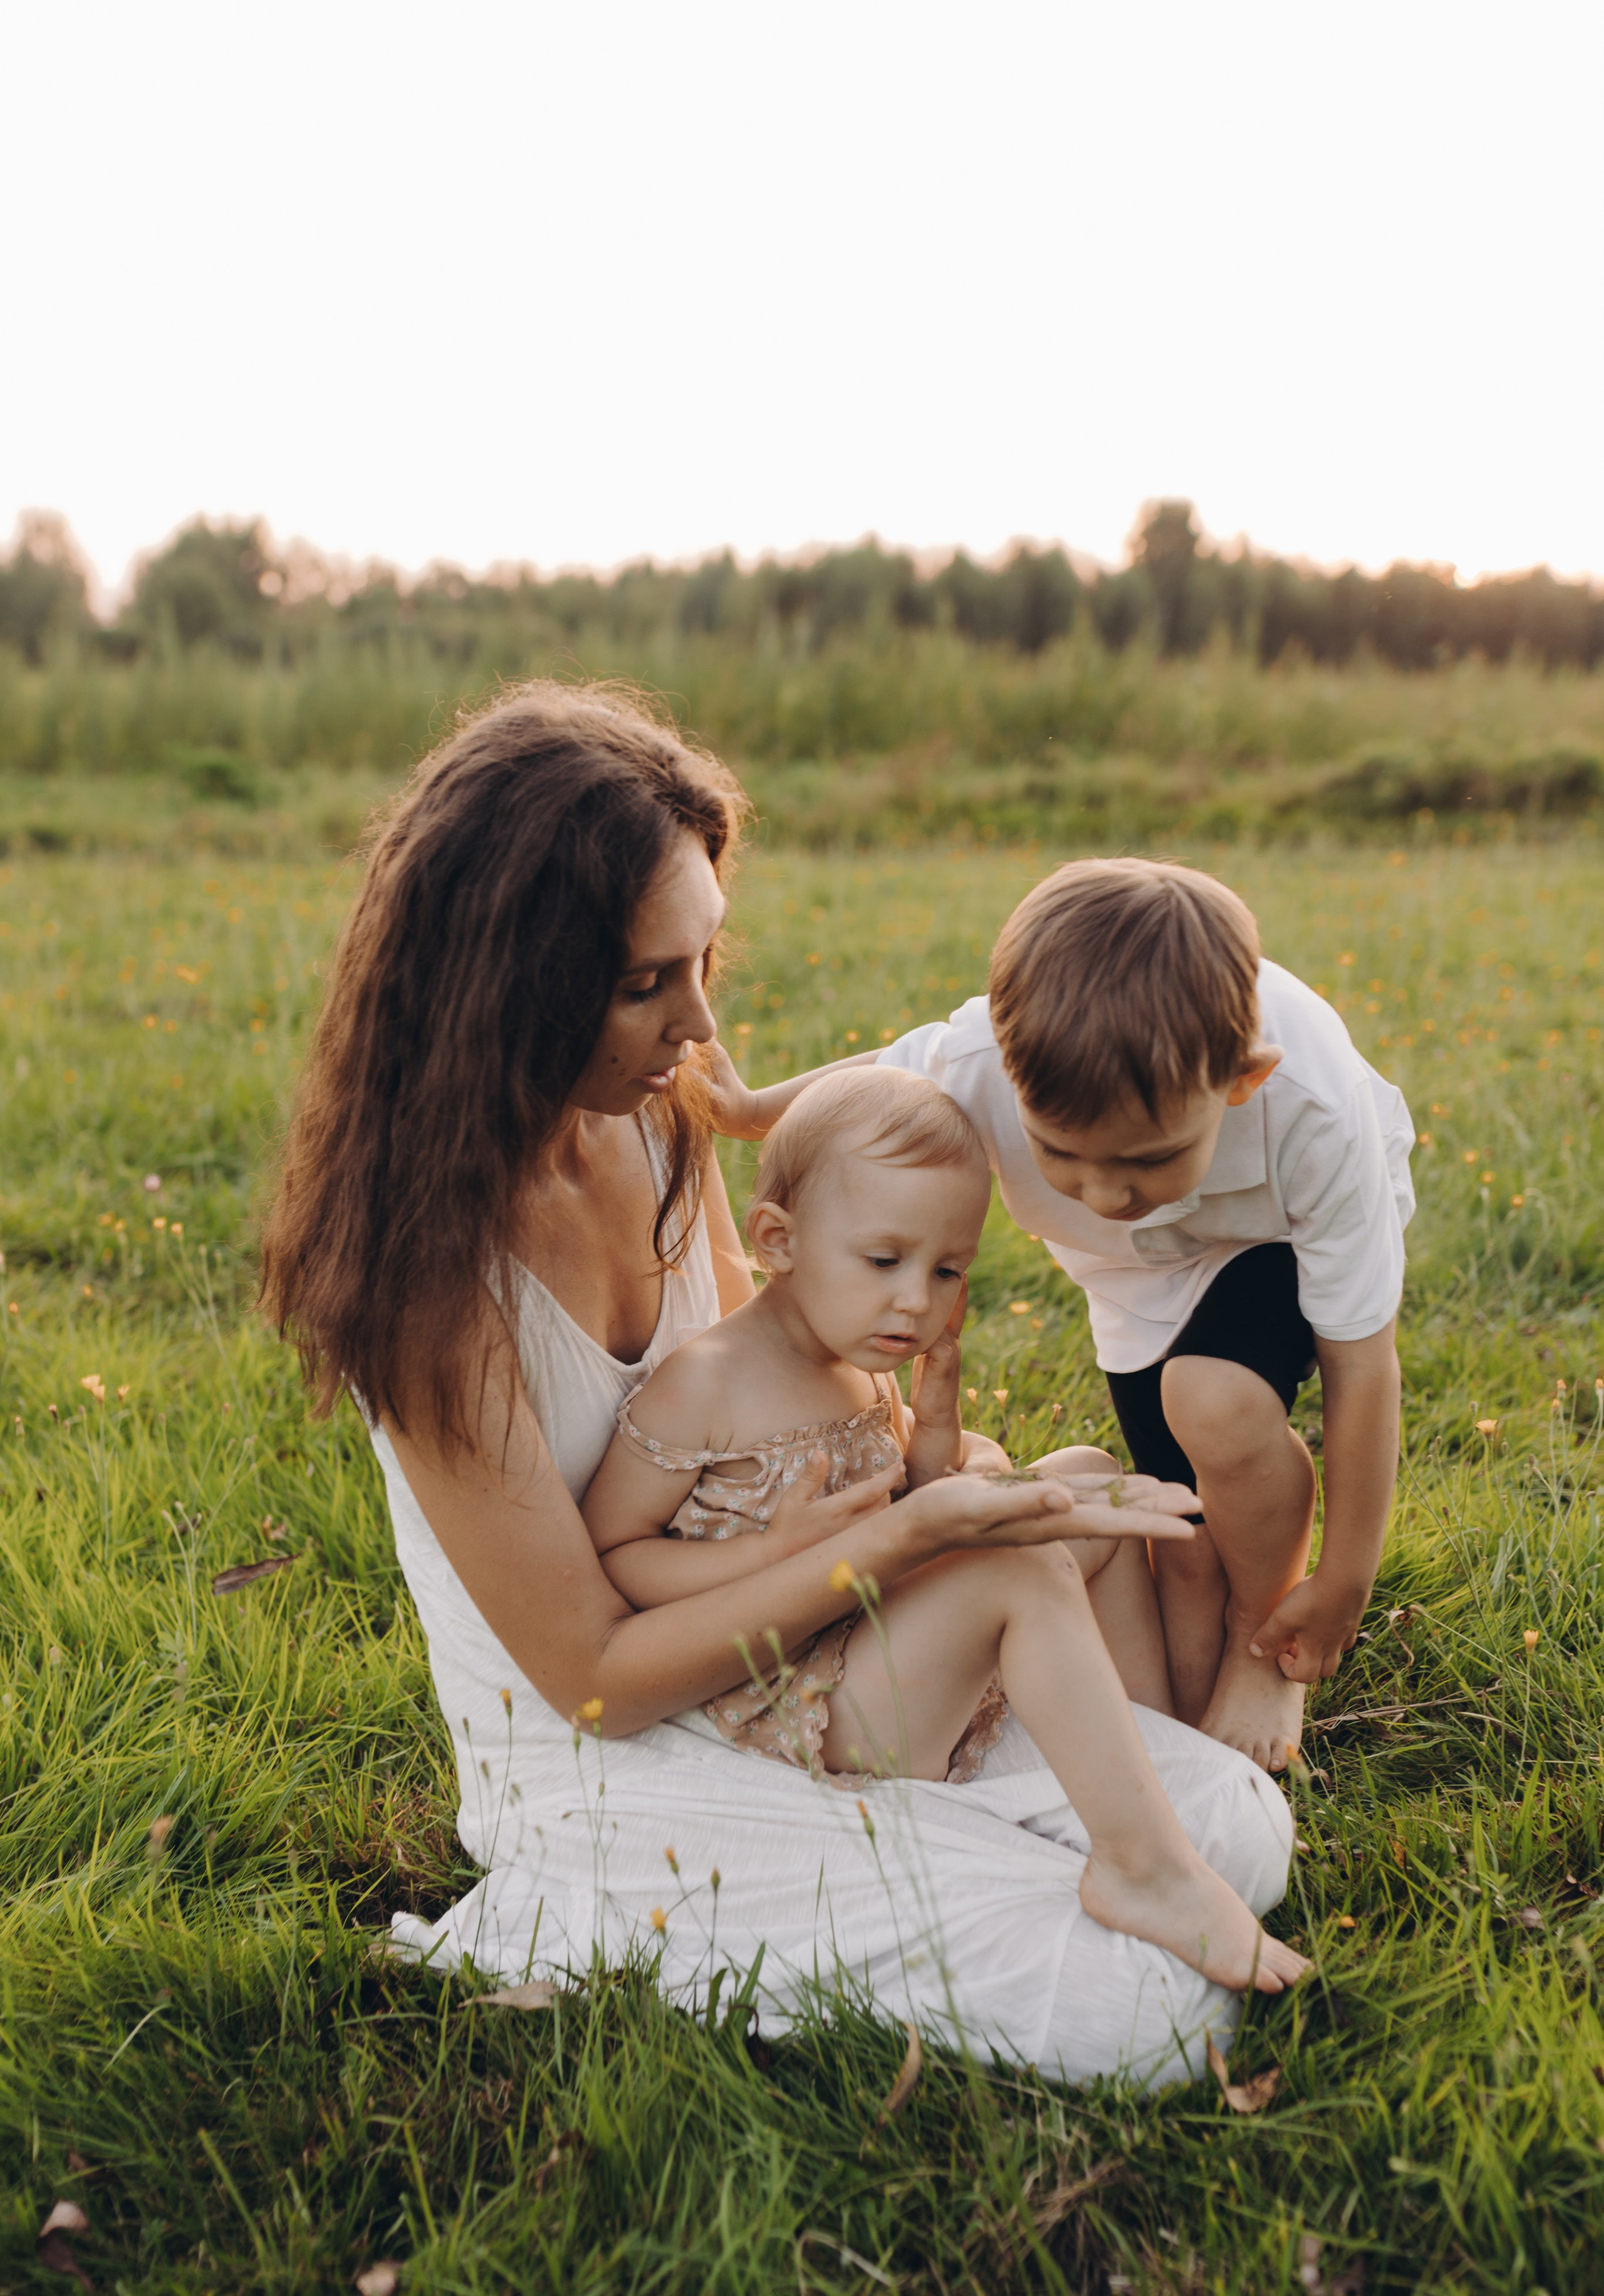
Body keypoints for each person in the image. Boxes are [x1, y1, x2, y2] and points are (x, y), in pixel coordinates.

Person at [261, 685, 1294, 2087]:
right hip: (616, 1763)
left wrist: (937, 1470)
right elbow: (596, 1686)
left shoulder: (654, 1117)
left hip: (802, 1664)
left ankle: (1027, 1840)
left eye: (702, 961)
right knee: (1159, 2019)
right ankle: (917, 1863)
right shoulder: (431, 1285)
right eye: (644, 985)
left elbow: (788, 1402)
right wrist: (898, 1542)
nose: (698, 1028)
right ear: (506, 986)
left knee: (1240, 1825)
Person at [582, 1063, 1308, 1995]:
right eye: (885, 1261)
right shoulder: (709, 1380)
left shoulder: (854, 1348)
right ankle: (1146, 1868)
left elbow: (899, 1519)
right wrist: (771, 1553)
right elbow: (615, 1556)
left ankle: (1142, 1749)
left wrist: (933, 1449)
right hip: (805, 1706)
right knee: (1024, 1570)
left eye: (948, 1269)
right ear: (778, 1240)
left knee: (1084, 1478)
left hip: (876, 1637)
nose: (917, 1302)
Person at [715, 858, 1415, 1775]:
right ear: (1006, 1075)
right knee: (1188, 1540)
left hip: (1266, 1240)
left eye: (1150, 1159)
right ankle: (1211, 1654)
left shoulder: (1317, 1113)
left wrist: (1345, 1582)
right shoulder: (980, 1061)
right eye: (1062, 1156)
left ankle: (1267, 1644)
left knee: (1215, 1403)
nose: (1104, 1191)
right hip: (1132, 1288)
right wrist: (750, 1110)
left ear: (1243, 1081)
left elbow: (1362, 1367)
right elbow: (877, 1088)